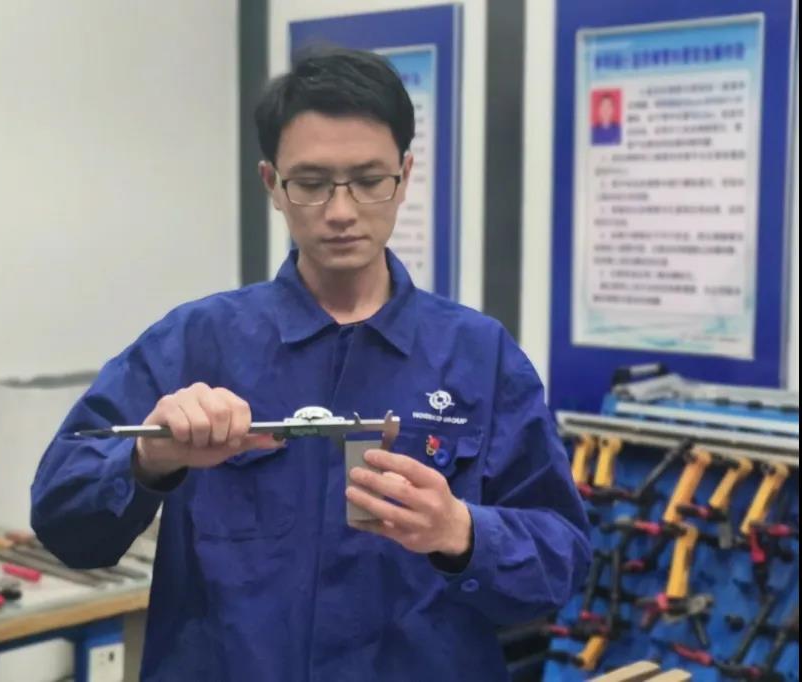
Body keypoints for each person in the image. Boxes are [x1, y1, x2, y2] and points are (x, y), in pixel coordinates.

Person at [31, 47, 591, 681]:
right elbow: (63, 524)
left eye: (370, 180)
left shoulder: (479, 356)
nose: (341, 211)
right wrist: (148, 459)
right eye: (311, 183)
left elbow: (562, 562)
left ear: (405, 175)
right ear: (272, 184)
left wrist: (461, 531)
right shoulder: (196, 343)